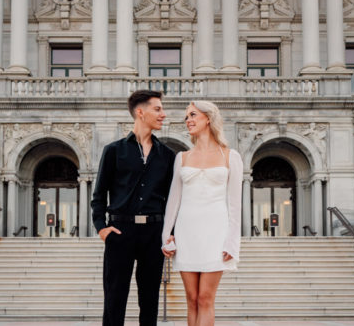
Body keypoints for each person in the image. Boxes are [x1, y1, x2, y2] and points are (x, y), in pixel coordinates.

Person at [91, 90, 176, 326]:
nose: (163, 114)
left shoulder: (167, 156)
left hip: (153, 232)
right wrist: (102, 228)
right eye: (157, 109)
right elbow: (99, 195)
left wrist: (171, 232)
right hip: (120, 231)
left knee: (149, 301)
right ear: (140, 112)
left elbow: (172, 199)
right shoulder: (114, 150)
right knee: (114, 300)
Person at [162, 100, 242, 326]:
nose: (188, 120)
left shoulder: (230, 156)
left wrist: (232, 242)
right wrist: (165, 235)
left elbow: (235, 204)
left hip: (216, 233)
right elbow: (173, 201)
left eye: (193, 115)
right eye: (187, 116)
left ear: (208, 118)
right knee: (192, 299)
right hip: (187, 233)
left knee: (206, 298)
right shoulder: (182, 158)